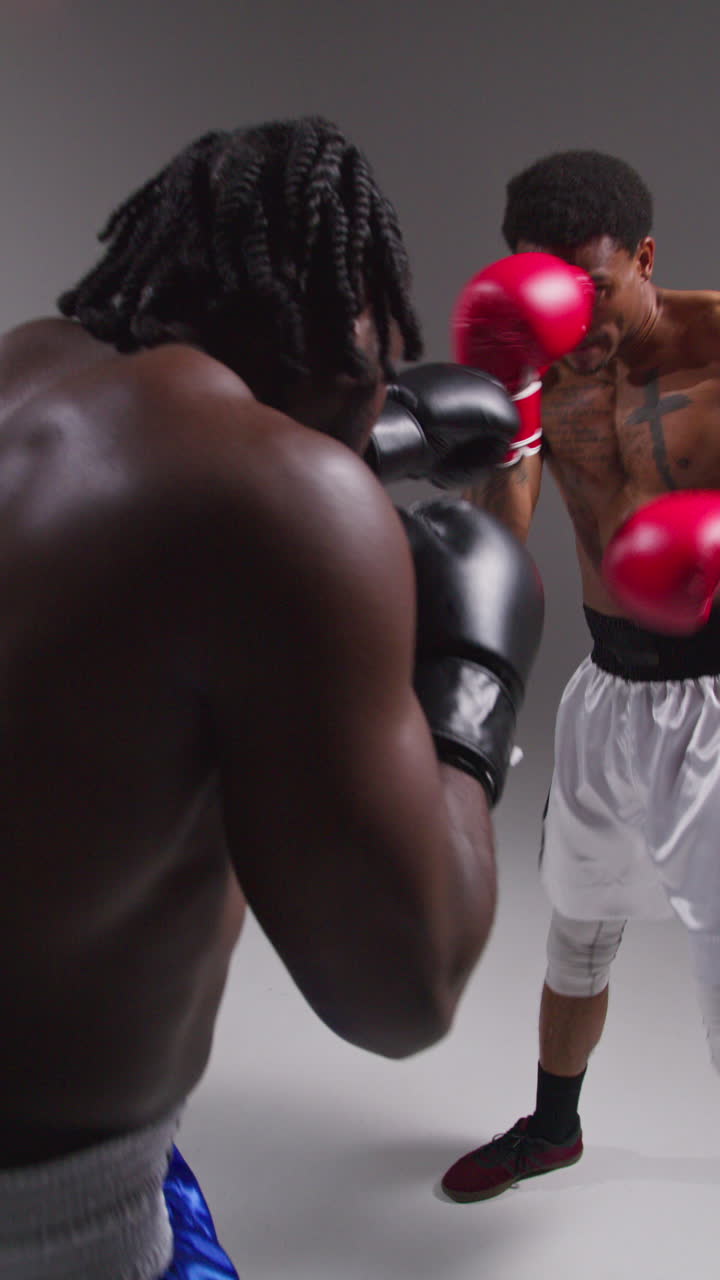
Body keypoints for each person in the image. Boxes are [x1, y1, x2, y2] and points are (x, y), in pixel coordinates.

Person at [0, 115, 545, 1276]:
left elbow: (174, 480)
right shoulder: (284, 503)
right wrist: (471, 681)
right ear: (344, 363)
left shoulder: (30, 368)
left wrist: (365, 438)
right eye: (374, 380)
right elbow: (405, 988)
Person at [440, 148, 720, 1202]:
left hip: (718, 695)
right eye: (550, 292)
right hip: (608, 691)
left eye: (596, 287)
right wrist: (509, 407)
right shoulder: (542, 364)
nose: (577, 318)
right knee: (578, 931)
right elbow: (502, 539)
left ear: (645, 257)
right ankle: (553, 1130)